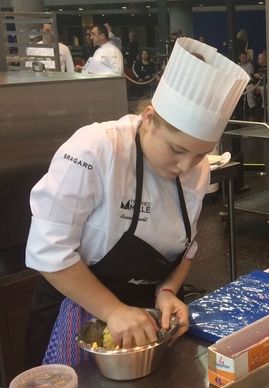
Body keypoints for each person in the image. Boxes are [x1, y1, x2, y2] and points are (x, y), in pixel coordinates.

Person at [24, 37, 250, 367]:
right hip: (71, 313)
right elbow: (48, 250)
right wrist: (113, 310)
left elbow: (186, 248)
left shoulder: (197, 171)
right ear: (148, 119)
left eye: (201, 153)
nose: (187, 166)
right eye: (177, 149)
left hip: (147, 320)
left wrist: (168, 292)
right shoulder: (95, 151)